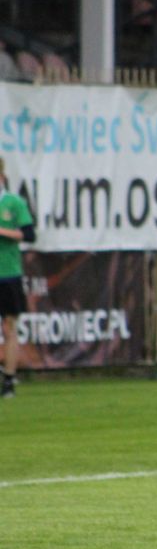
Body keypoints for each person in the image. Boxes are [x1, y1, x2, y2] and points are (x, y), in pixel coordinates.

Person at [0, 158, 34, 399]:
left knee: (9, 327)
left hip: (8, 274)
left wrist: (2, 231)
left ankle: (9, 380)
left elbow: (29, 234)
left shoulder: (14, 203)